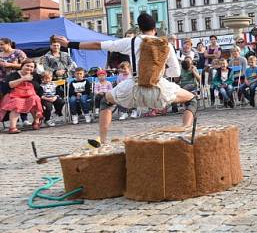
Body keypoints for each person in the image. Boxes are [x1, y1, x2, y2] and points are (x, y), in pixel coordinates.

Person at [55, 13, 194, 143]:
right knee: (192, 99)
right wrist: (160, 74)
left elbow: (98, 45)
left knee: (105, 102)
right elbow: (176, 72)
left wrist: (69, 44)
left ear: (139, 29)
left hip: (133, 89)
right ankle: (184, 131)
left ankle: (102, 140)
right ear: (155, 28)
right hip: (160, 91)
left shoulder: (131, 42)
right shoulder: (166, 45)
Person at [0, 59, 43, 133]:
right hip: (15, 95)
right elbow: (9, 85)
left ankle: (36, 121)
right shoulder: (13, 75)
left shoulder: (35, 75)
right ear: (22, 66)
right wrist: (23, 79)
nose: (29, 68)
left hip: (30, 95)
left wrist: (31, 81)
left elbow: (38, 87)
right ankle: (12, 127)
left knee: (35, 99)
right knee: (17, 103)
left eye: (31, 67)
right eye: (27, 66)